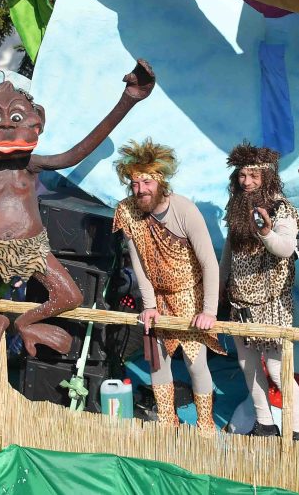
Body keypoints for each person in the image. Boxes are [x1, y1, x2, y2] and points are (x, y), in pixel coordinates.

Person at [112, 138, 224, 433]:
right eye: (135, 184)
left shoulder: (184, 209)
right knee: (156, 361)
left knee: (195, 363)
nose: (140, 189)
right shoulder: (128, 212)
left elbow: (209, 263)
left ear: (160, 181)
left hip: (189, 294)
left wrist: (208, 311)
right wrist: (149, 305)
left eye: (146, 182)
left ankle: (205, 425)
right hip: (157, 297)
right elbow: (139, 264)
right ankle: (166, 421)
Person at [220, 142, 299, 439]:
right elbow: (229, 252)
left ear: (266, 177)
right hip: (240, 302)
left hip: (271, 304)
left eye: (253, 176)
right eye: (242, 176)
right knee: (247, 364)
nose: (247, 182)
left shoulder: (282, 209)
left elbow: (285, 249)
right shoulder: (236, 206)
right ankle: (265, 424)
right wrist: (221, 285)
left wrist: (266, 232)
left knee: (278, 369)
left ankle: (296, 432)